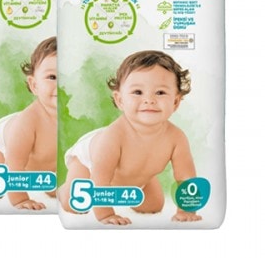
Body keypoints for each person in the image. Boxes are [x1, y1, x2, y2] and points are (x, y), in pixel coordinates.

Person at [59, 50, 202, 225]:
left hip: (132, 174)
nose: (149, 100)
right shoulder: (113, 137)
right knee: (74, 203)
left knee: (153, 206)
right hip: (89, 166)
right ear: (120, 100)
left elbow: (186, 177)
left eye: (160, 93)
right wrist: (106, 215)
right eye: (138, 92)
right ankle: (63, 191)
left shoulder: (176, 138)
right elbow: (100, 178)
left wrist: (186, 210)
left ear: (175, 102)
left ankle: (141, 177)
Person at [0, 37, 57, 210]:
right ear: (34, 85)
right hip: (2, 148)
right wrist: (20, 199)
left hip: (40, 162)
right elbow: (14, 163)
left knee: (51, 183)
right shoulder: (28, 121)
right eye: (52, 77)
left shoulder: (72, 121)